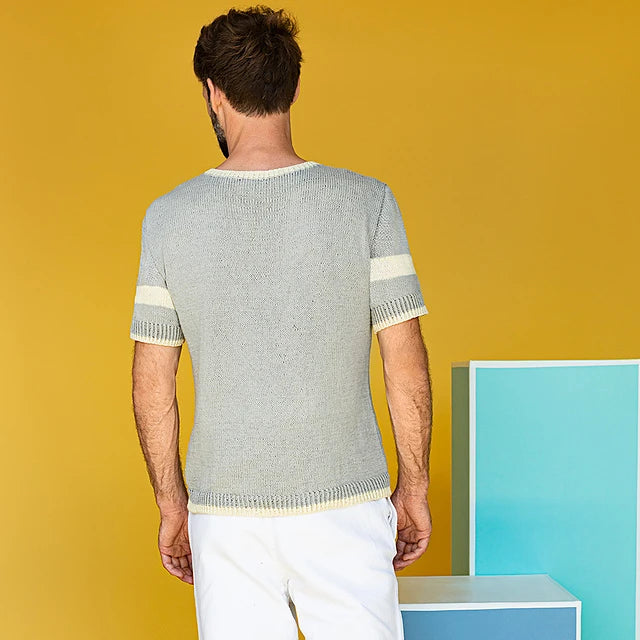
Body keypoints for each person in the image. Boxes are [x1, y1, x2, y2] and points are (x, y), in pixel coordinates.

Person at [129, 5, 433, 639]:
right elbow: (403, 360)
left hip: (224, 515)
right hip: (347, 507)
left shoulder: (167, 218)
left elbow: (153, 381)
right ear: (292, 89)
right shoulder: (368, 204)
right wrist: (415, 487)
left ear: (214, 93)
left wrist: (172, 505)